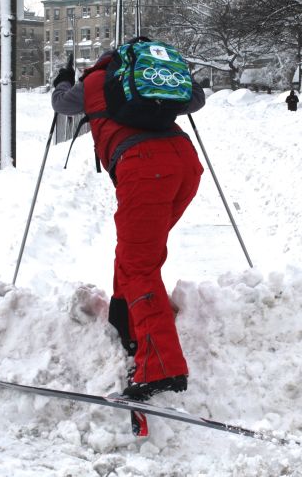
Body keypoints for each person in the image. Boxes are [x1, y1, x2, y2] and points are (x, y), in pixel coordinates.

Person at [51, 48, 206, 401]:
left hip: (145, 169)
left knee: (140, 265)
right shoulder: (151, 81)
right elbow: (195, 99)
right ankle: (126, 319)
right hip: (184, 164)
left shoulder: (93, 81)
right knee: (139, 253)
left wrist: (63, 80)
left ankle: (161, 367)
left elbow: (62, 104)